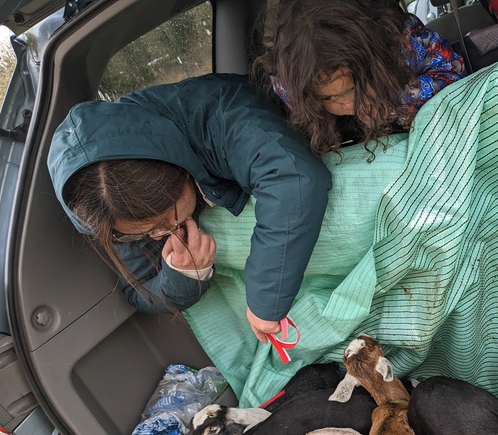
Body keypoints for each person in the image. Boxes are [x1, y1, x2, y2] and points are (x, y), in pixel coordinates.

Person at [47, 73, 332, 343]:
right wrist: (183, 274)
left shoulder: (217, 112)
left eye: (163, 221)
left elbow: (294, 178)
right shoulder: (111, 208)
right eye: (144, 234)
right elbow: (138, 289)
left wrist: (264, 302)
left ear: (181, 172)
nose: (159, 236)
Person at [254, 0, 466, 154]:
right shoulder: (291, 87)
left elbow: (453, 72)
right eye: (329, 98)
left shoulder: (403, 45)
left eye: (353, 88)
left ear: (376, 64)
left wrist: (395, 101)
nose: (348, 103)